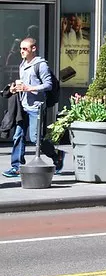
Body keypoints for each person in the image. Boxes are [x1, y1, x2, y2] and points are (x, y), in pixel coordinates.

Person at [2, 37, 65, 178]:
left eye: (25, 49)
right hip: (22, 106)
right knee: (18, 135)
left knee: (35, 137)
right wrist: (15, 88)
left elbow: (48, 85)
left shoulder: (41, 65)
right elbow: (23, 84)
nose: (22, 52)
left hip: (36, 107)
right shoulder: (23, 64)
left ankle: (57, 155)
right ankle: (17, 166)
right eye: (21, 49)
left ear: (33, 49)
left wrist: (30, 88)